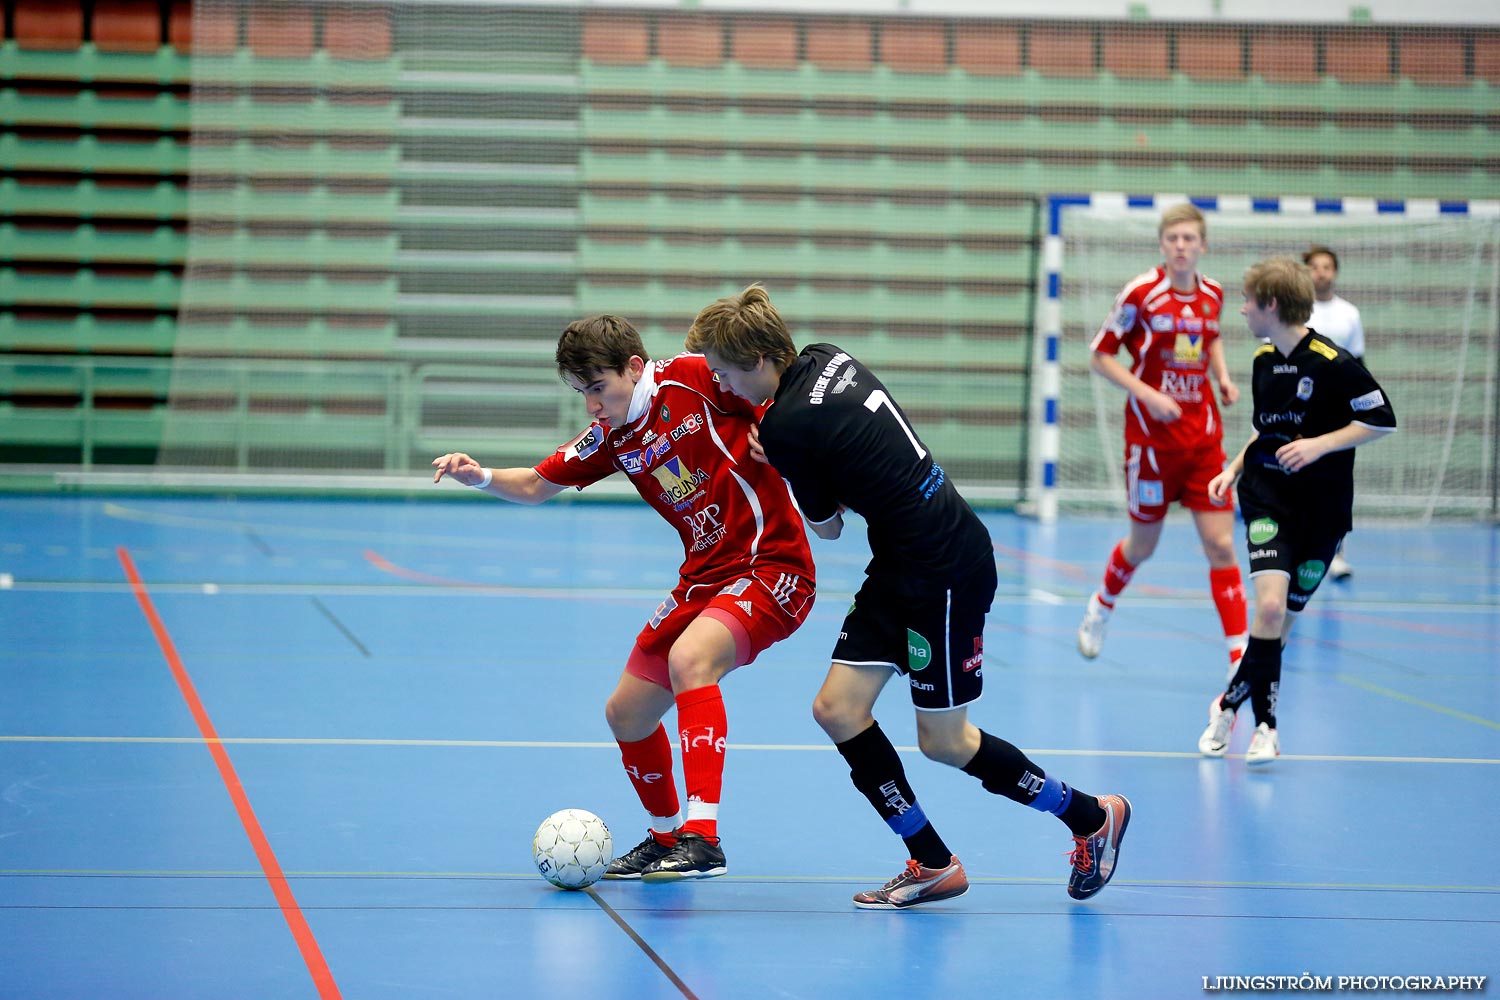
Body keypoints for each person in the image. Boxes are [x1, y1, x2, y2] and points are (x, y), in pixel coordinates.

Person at [685, 284, 1131, 909]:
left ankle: (1089, 816)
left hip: (946, 566)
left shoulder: (785, 428)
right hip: (901, 559)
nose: (724, 387)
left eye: (726, 374)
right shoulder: (825, 355)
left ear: (760, 360)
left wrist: (786, 466)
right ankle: (932, 861)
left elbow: (829, 526)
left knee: (944, 742)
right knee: (838, 710)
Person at [432, 315, 816, 880]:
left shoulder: (693, 378)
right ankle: (664, 840)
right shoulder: (613, 433)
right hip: (703, 576)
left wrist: (785, 435)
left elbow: (773, 386)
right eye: (581, 391)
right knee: (627, 714)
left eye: (597, 388)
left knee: (692, 661)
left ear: (635, 368)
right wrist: (481, 476)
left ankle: (702, 839)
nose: (590, 404)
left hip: (771, 564)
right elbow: (539, 484)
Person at [1199, 256, 1396, 764]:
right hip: (1269, 499)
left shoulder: (1333, 363)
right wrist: (1233, 467)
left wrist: (1319, 445)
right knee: (1266, 609)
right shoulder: (1264, 361)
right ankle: (1266, 727)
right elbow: (1267, 429)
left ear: (1270, 305)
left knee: (1277, 630)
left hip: (1324, 511)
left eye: (1247, 301)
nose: (1240, 310)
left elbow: (1382, 419)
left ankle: (1228, 703)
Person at [1076, 203, 1249, 683]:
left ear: (1202, 245)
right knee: (1142, 546)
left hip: (1204, 445)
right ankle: (1102, 604)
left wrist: (1224, 378)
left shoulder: (1213, 292)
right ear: (1162, 244)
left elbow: (1208, 336)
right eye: (1172, 238)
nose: (1181, 246)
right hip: (1151, 446)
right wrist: (1147, 394)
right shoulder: (1142, 294)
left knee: (1220, 547)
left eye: (1189, 238)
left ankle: (1240, 660)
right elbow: (1100, 356)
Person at [1303, 245, 1367, 581]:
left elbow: (1358, 365)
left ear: (1335, 272)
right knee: (1297, 479)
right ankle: (1297, 548)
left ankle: (1337, 554)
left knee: (1338, 483)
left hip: (1338, 414)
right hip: (1300, 412)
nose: (1321, 272)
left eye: (1327, 266)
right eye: (1315, 266)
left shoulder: (1349, 314)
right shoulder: (1295, 312)